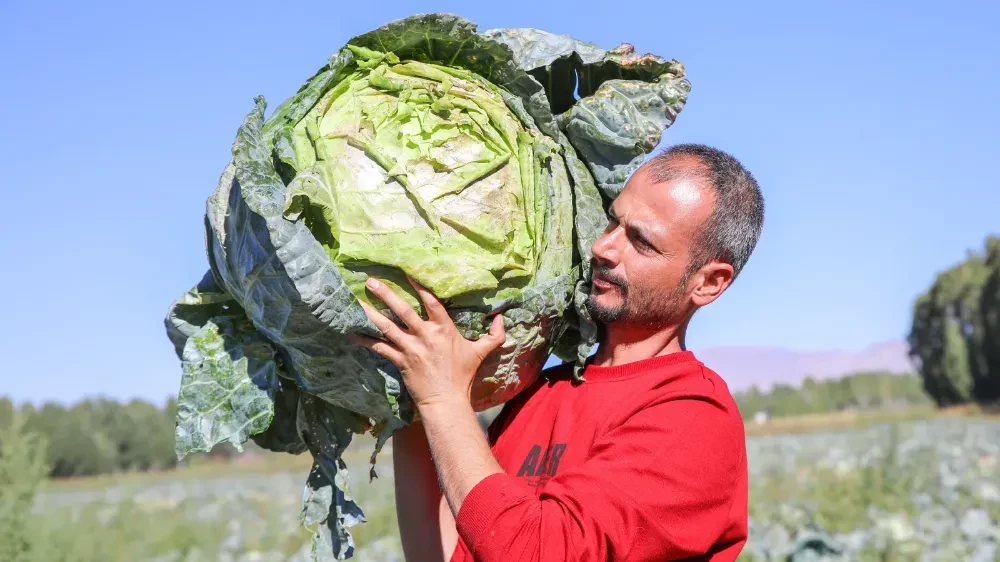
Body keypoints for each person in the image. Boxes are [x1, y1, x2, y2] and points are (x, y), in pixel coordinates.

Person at [350, 143, 765, 562]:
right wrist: (412, 396)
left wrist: (442, 398)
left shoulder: (692, 417)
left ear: (708, 282)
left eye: (641, 241)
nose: (605, 248)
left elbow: (535, 553)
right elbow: (448, 551)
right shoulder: (539, 390)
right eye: (612, 222)